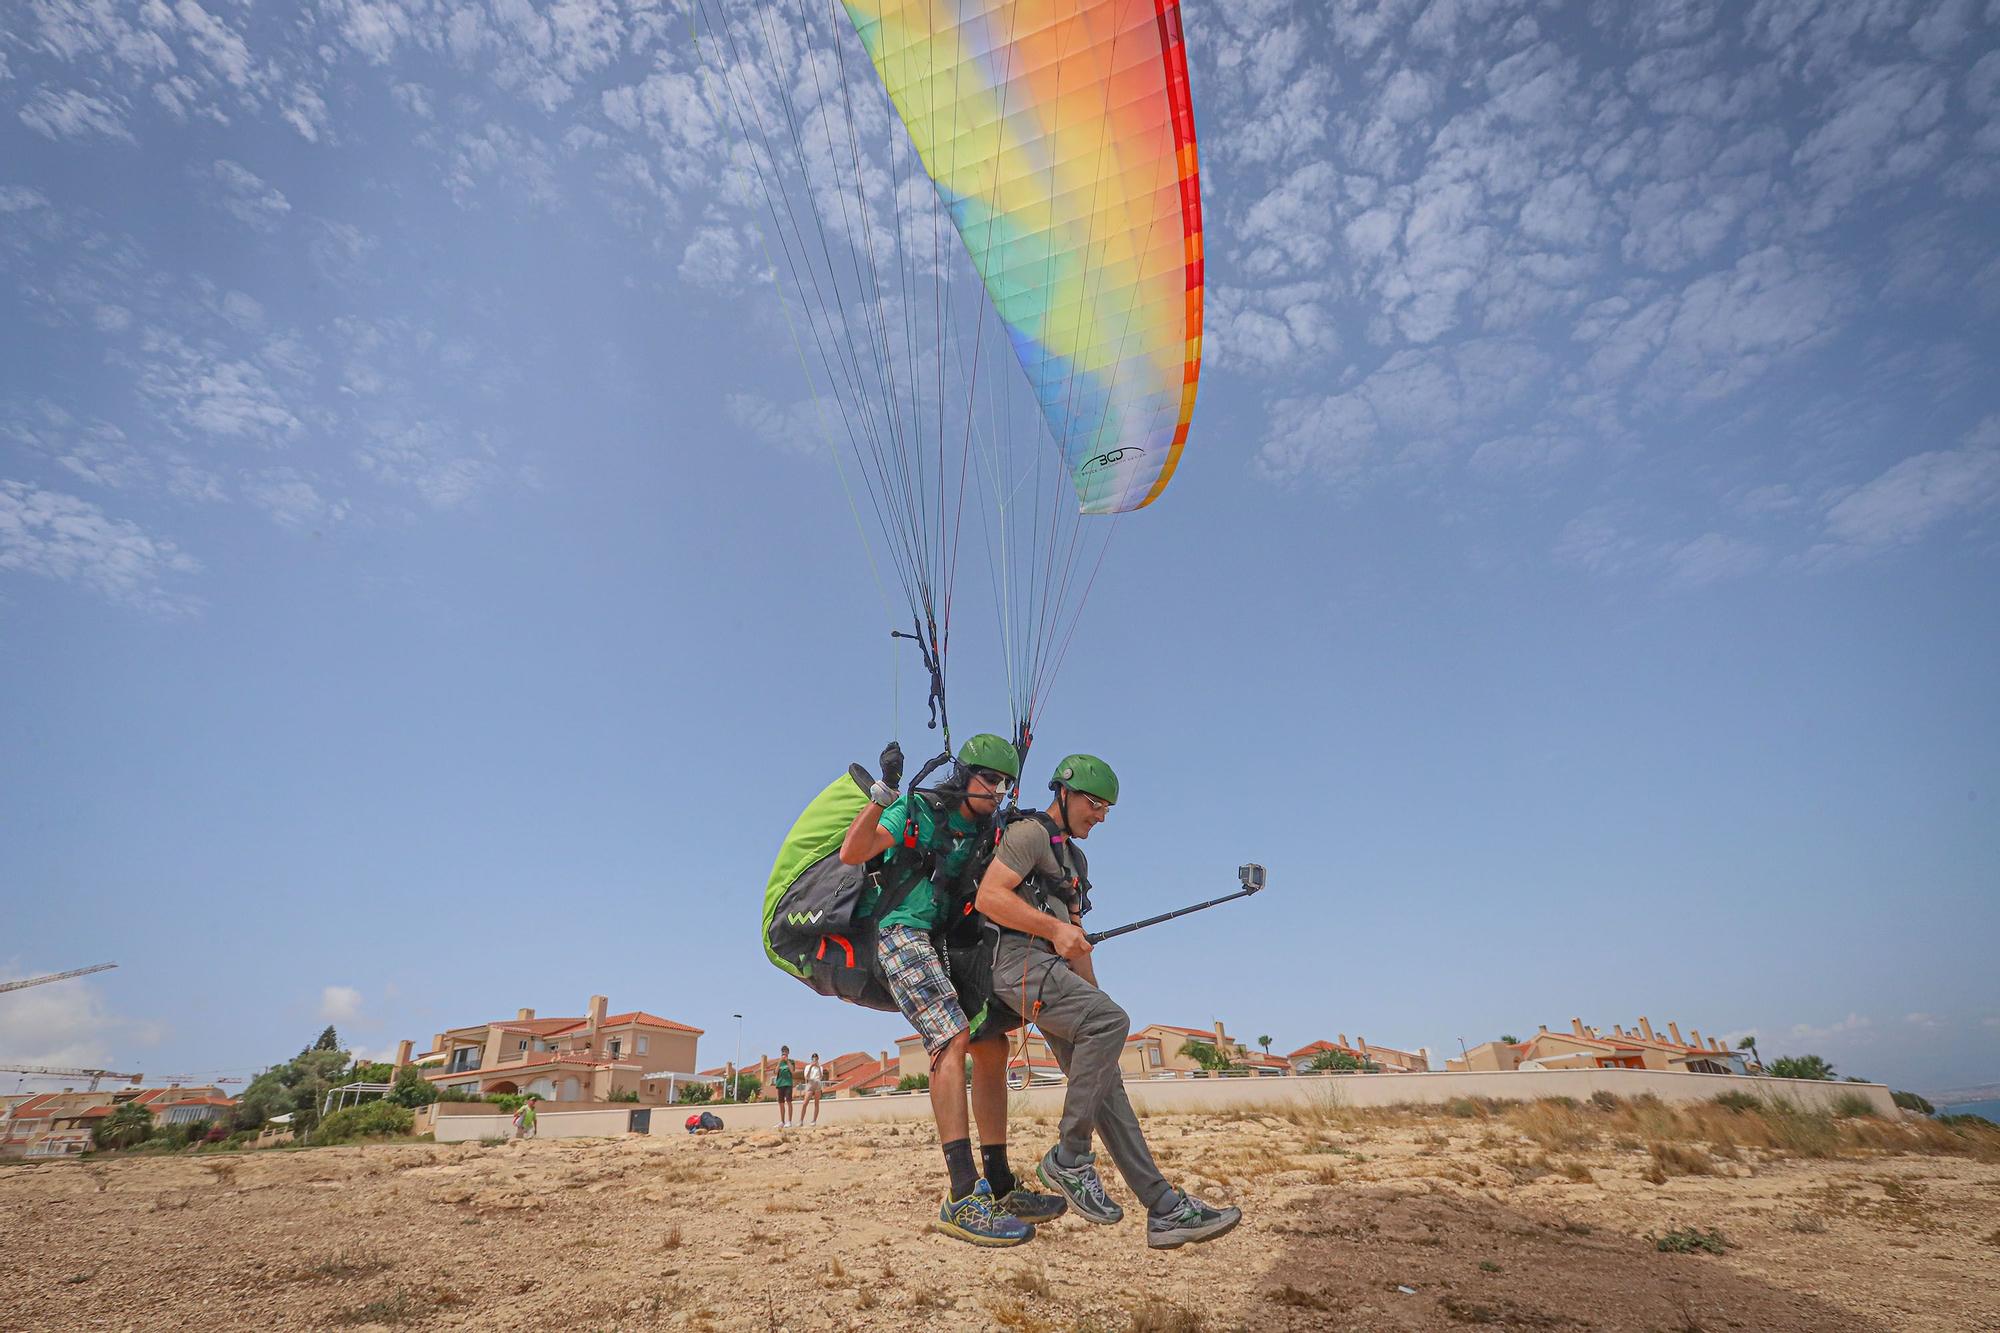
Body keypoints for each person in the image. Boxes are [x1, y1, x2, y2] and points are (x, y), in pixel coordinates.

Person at [974, 754, 1242, 1249]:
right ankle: (1070, 1158)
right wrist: (1057, 934)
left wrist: (1093, 999)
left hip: (1052, 975)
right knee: (1110, 1022)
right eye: (1095, 805)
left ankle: (1163, 1208)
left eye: (1107, 810)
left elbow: (1075, 939)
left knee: (1106, 1087)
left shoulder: (1075, 861)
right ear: (1064, 792)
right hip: (1015, 967)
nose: (1100, 817)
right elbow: (990, 898)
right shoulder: (1029, 834)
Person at [838, 732, 1067, 1245]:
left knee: (992, 1044)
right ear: (964, 777)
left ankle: (1000, 1184)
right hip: (899, 934)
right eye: (989, 779)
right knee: (952, 1038)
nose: (997, 790)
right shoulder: (918, 809)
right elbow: (854, 852)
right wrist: (883, 794)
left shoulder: (991, 829)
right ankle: (963, 1195)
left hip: (946, 944)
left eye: (1005, 783)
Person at [774, 1046, 796, 1128]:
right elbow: (775, 1072)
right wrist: (779, 1063)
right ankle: (782, 1121)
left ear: (788, 1052)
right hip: (780, 1084)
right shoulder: (779, 1062)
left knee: (789, 1102)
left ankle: (789, 1121)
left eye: (785, 1051)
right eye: (783, 1051)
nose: (784, 1053)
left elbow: (792, 1071)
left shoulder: (791, 1061)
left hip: (788, 1084)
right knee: (781, 1103)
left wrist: (787, 1061)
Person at [801, 1053, 826, 1125]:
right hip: (810, 1083)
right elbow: (806, 1077)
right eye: (813, 1058)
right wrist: (811, 1067)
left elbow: (821, 1077)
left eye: (816, 1058)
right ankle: (801, 1121)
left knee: (816, 1103)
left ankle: (814, 1121)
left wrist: (818, 1067)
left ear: (818, 1059)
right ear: (811, 1059)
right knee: (805, 1103)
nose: (815, 1059)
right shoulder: (807, 1066)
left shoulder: (820, 1067)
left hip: (817, 1083)